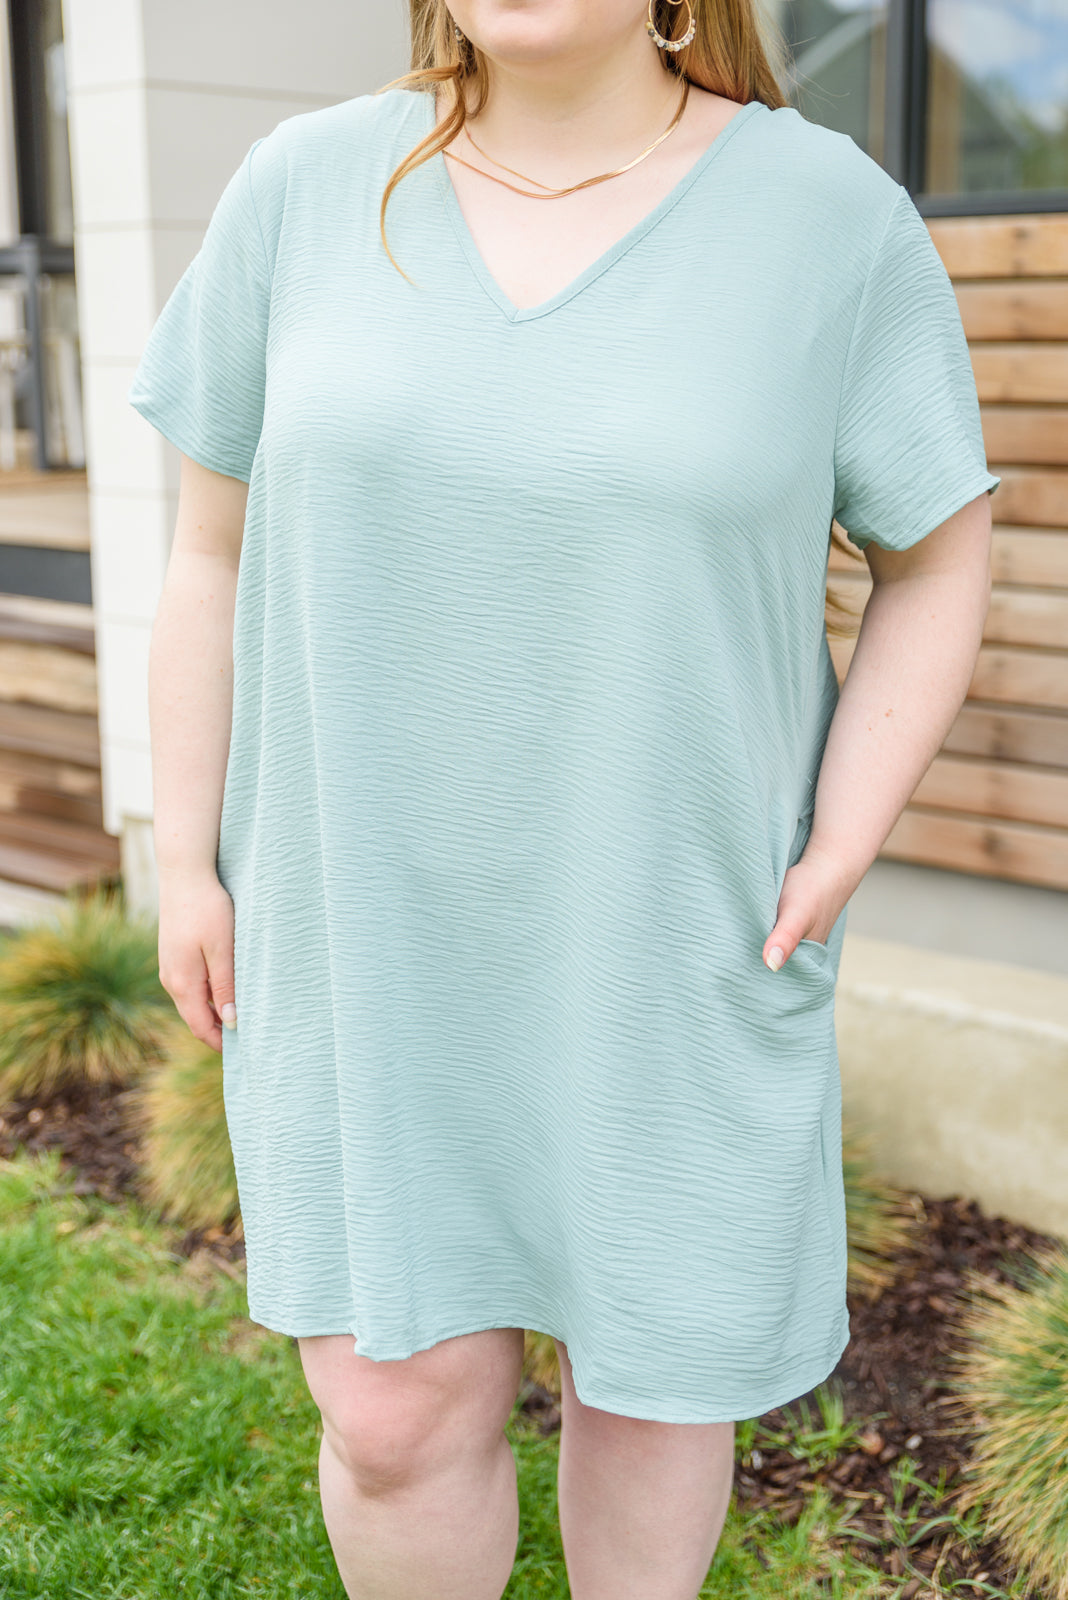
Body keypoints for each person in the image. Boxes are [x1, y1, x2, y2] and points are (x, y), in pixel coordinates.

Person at [127, 1, 999, 1596]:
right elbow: (207, 548)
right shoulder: (301, 187)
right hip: (358, 926)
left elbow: (939, 560)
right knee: (391, 1413)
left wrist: (840, 838)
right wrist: (186, 859)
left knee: (652, 1396)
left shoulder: (829, 221)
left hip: (672, 927)